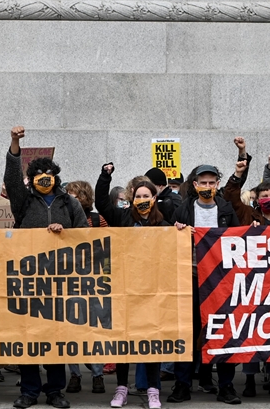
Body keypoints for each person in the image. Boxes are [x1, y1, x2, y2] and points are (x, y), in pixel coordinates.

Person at [5, 125, 87, 409]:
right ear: (31, 179)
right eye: (38, 174)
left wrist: (64, 232)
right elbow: (11, 178)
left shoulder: (70, 203)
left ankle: (54, 390)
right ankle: (29, 391)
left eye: (48, 174)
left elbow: (85, 235)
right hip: (29, 279)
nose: (44, 178)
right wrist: (14, 145)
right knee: (28, 337)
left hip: (61, 280)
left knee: (56, 337)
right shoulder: (23, 201)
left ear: (56, 177)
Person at [96, 163, 168, 409]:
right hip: (125, 289)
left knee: (151, 341)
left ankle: (153, 390)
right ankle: (121, 389)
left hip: (152, 292)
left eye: (146, 196)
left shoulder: (164, 224)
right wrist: (105, 177)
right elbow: (102, 203)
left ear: (154, 198)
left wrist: (179, 231)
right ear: (132, 199)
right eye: (138, 196)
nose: (142, 200)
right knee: (124, 341)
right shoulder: (123, 218)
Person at [169, 164, 241, 405]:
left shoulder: (226, 209)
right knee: (187, 331)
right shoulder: (183, 210)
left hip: (220, 280)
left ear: (217, 185)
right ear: (195, 185)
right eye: (203, 182)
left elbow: (239, 238)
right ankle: (182, 384)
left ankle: (226, 385)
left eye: (212, 182)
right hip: (190, 277)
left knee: (223, 331)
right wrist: (176, 231)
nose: (207, 186)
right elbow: (170, 241)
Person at [62, 180, 106, 394]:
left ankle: (97, 374)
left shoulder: (97, 220)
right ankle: (75, 375)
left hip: (93, 280)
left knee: (93, 329)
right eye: (69, 194)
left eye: (76, 195)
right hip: (68, 280)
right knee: (70, 329)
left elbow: (110, 244)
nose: (72, 199)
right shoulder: (63, 218)